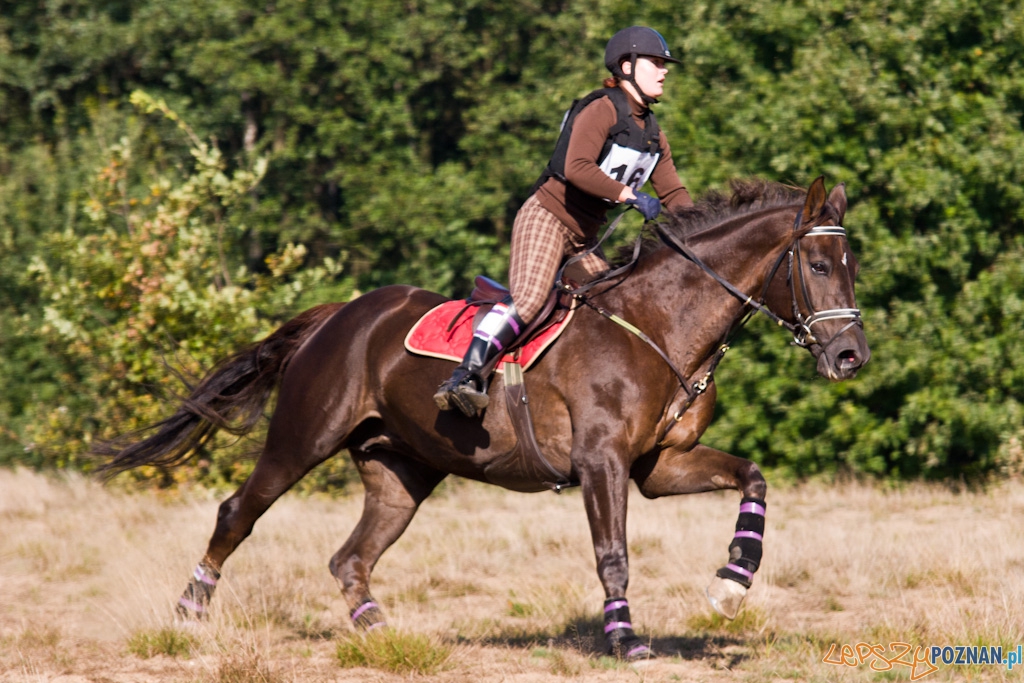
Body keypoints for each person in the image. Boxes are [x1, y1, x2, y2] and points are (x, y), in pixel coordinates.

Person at [433, 26, 695, 418]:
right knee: (531, 299)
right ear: (627, 66)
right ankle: (466, 375)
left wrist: (699, 236)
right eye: (656, 63)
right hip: (548, 218)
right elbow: (576, 168)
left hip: (584, 238)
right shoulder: (602, 109)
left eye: (664, 65)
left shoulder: (655, 136)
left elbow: (674, 195)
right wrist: (629, 195)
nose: (664, 71)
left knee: (615, 309)